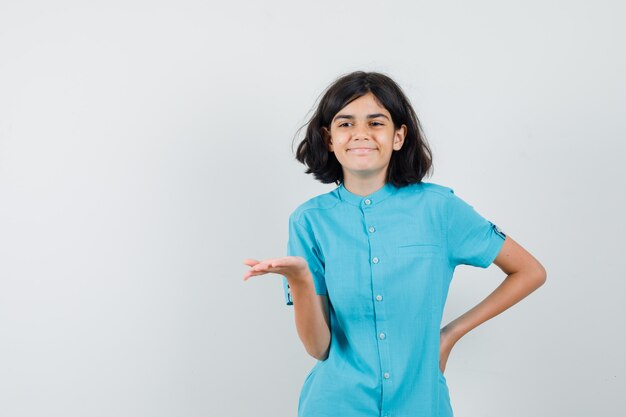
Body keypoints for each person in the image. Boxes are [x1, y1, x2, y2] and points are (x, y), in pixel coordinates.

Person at [242, 71, 547, 417]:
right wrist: (300, 280)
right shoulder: (309, 221)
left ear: (398, 136)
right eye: (345, 124)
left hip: (422, 404)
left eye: (376, 122)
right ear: (328, 139)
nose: (361, 134)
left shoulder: (440, 209)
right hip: (335, 404)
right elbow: (318, 348)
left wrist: (449, 335)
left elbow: (529, 271)